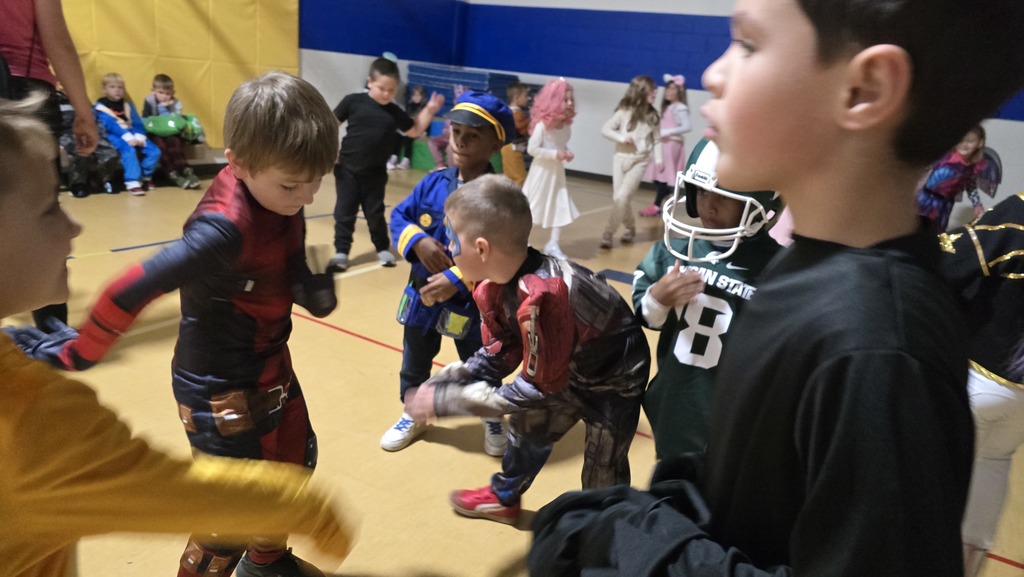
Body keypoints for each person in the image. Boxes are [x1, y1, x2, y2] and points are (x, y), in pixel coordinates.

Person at [529, 0, 1024, 575]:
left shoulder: (880, 347)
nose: (713, 73)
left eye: (749, 44)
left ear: (864, 89)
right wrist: (646, 514)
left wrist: (630, 543)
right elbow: (751, 498)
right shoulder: (803, 271)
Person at [0, 93, 355, 577]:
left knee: (294, 463)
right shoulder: (222, 230)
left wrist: (307, 286)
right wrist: (80, 351)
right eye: (294, 184)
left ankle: (267, 562)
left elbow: (281, 255)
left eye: (318, 180)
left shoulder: (275, 188)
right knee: (228, 514)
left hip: (270, 363)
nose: (308, 197)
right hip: (217, 388)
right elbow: (134, 287)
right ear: (239, 164)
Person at [403, 174, 651, 526]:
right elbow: (500, 351)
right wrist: (447, 380)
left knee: (603, 464)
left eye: (452, 237)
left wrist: (447, 403)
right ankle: (504, 497)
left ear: (482, 249)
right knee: (527, 428)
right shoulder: (496, 284)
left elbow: (534, 388)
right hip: (566, 368)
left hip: (615, 380)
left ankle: (604, 533)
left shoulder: (546, 297)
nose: (447, 247)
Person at [384, 91, 517, 455]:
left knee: (481, 364)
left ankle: (491, 415)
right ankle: (414, 411)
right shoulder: (433, 181)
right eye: (456, 131)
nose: (459, 140)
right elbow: (400, 216)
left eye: (472, 135)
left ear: (495, 144)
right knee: (414, 361)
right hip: (422, 296)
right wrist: (419, 243)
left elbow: (503, 253)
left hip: (474, 305)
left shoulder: (499, 196)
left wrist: (458, 276)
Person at [633, 139, 781, 459]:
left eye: (723, 197)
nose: (709, 206)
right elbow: (644, 315)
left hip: (736, 411)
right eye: (701, 192)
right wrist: (658, 299)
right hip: (677, 401)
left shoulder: (779, 270)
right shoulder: (673, 252)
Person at [938, 193, 1024, 577]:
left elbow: (953, 259)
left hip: (979, 377)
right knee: (993, 463)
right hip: (1020, 400)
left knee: (925, 481)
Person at [0, 0, 99, 329]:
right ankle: (52, 328)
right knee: (38, 209)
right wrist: (84, 113)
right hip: (22, 89)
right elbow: (58, 41)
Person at [329, 57, 444, 272]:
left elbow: (415, 130)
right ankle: (341, 252)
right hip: (347, 169)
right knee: (344, 211)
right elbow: (331, 123)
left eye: (391, 90)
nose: (386, 94)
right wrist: (331, 151)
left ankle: (382, 248)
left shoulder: (393, 111)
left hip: (375, 173)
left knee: (375, 213)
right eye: (382, 88)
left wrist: (429, 109)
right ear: (369, 81)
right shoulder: (353, 101)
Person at [600, 75, 662, 249]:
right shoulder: (624, 111)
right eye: (652, 90)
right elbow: (605, 129)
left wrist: (659, 159)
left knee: (622, 197)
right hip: (620, 159)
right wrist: (620, 137)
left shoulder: (653, 117)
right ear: (641, 93)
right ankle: (630, 227)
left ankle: (608, 233)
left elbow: (657, 140)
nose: (656, 92)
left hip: (639, 161)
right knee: (619, 199)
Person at [522, 78, 577, 259]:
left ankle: (553, 243)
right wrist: (555, 154)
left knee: (559, 205)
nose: (569, 103)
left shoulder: (566, 127)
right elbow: (532, 149)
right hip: (541, 173)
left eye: (571, 99)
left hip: (556, 173)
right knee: (532, 207)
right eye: (565, 99)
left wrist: (566, 153)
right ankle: (522, 241)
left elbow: (561, 145)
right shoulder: (542, 127)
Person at [916, 125, 1001, 232]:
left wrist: (977, 204)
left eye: (970, 141)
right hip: (925, 199)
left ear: (980, 143)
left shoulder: (973, 166)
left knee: (937, 233)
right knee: (917, 229)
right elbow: (924, 173)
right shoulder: (947, 158)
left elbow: (970, 184)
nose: (964, 145)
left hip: (945, 204)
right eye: (960, 140)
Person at [94, 72, 162, 195]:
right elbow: (110, 125)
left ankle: (145, 177)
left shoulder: (127, 105)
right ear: (104, 89)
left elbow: (137, 122)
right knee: (129, 150)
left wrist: (139, 136)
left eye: (120, 87)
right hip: (114, 135)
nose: (117, 90)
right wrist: (128, 137)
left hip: (132, 133)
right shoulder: (100, 106)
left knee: (154, 151)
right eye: (112, 87)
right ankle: (132, 181)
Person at [639, 74, 691, 218]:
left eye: (672, 89)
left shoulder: (680, 108)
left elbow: (687, 126)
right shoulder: (670, 107)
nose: (668, 92)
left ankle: (656, 205)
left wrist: (667, 131)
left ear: (679, 92)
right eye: (667, 89)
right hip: (665, 143)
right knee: (657, 173)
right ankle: (665, 193)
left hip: (672, 144)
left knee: (661, 173)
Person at [57, 88, 122, 197]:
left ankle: (106, 180)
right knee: (80, 152)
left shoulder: (82, 100)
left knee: (110, 152)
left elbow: (93, 119)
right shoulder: (55, 100)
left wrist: (99, 135)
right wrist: (59, 141)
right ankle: (78, 184)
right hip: (68, 134)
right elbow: (55, 125)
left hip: (88, 132)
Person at [142, 73, 202, 189]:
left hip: (171, 132)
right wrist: (162, 109)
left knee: (175, 143)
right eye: (161, 93)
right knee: (161, 146)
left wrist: (167, 109)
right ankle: (171, 173)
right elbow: (146, 119)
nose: (164, 96)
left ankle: (185, 170)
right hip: (155, 133)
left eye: (168, 93)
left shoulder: (176, 103)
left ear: (173, 92)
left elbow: (176, 120)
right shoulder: (149, 101)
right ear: (153, 91)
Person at [388, 84, 426, 170]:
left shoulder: (424, 108)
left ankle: (406, 159)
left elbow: (424, 121)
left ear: (422, 97)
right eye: (414, 95)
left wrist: (424, 131)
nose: (416, 97)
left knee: (408, 138)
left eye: (418, 95)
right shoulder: (409, 106)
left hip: (418, 129)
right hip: (410, 128)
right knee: (397, 136)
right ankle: (394, 157)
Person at [500, 82, 531, 186]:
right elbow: (524, 130)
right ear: (517, 97)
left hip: (507, 147)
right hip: (513, 148)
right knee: (519, 178)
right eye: (526, 96)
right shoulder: (517, 113)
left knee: (510, 177)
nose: (528, 99)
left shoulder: (506, 111)